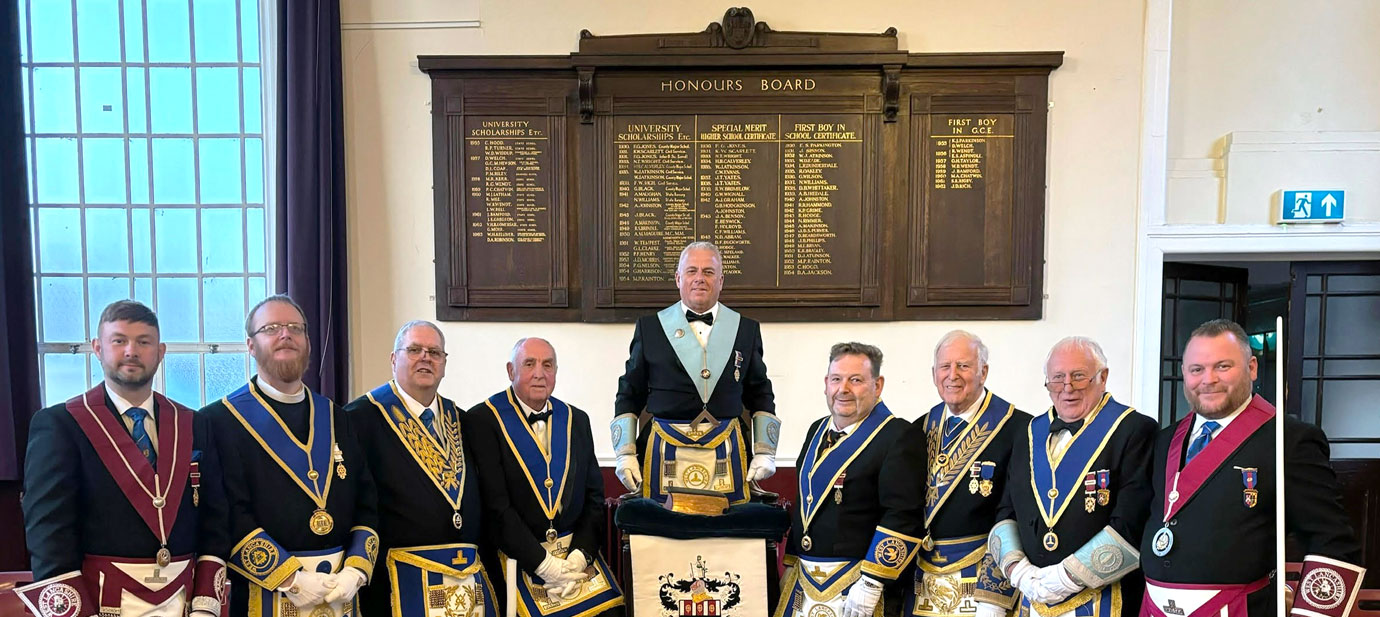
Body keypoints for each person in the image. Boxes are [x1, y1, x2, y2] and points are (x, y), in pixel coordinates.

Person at [1140, 319, 1365, 617]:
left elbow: (1333, 541)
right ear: (1184, 374)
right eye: (1197, 369)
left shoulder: (1289, 440)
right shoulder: (1165, 438)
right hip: (1154, 607)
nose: (1208, 379)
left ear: (1252, 368)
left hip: (1239, 609)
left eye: (1222, 366)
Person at [18, 300, 229, 617]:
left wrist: (205, 605)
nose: (131, 351)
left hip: (185, 603)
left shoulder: (194, 424)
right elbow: (49, 537)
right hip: (99, 602)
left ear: (161, 352)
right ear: (97, 348)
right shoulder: (60, 425)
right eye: (119, 340)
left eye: (144, 342)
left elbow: (216, 519)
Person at [201, 295, 379, 617]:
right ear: (251, 345)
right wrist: (290, 579)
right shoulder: (218, 421)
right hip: (263, 596)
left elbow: (366, 503)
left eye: (295, 328)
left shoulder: (338, 417)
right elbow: (227, 514)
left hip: (341, 596)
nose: (286, 335)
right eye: (271, 328)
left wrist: (357, 569)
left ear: (308, 342)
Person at [984, 336, 1156, 617]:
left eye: (1079, 377)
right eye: (1057, 379)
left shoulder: (1134, 430)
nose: (1068, 388)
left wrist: (1064, 579)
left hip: (1105, 599)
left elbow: (1132, 522)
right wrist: (1019, 572)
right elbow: (1006, 512)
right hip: (1032, 599)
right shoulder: (1029, 433)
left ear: (1103, 377)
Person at [344, 320, 494, 617]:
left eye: (435, 352)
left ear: (444, 363)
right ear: (393, 359)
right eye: (414, 350)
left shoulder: (464, 420)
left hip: (465, 578)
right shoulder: (359, 419)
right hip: (396, 584)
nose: (425, 357)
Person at [612, 241, 779, 504]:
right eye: (692, 271)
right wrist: (625, 453)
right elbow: (629, 392)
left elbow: (760, 392)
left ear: (721, 280)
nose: (699, 278)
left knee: (727, 537)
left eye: (708, 272)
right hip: (662, 451)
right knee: (662, 536)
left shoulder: (746, 329)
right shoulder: (650, 328)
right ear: (678, 278)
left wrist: (765, 451)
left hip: (728, 450)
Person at [468, 338, 624, 616]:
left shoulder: (577, 419)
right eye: (529, 364)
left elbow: (594, 499)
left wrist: (579, 558)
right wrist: (545, 566)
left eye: (547, 365)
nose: (540, 373)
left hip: (574, 556)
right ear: (511, 371)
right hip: (518, 557)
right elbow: (496, 508)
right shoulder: (482, 420)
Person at [776, 342, 925, 617]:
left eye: (855, 380)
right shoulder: (816, 430)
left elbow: (903, 515)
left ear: (877, 386)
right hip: (806, 584)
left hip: (861, 586)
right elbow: (806, 502)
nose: (843, 389)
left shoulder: (898, 435)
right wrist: (791, 562)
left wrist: (873, 580)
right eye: (836, 379)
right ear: (826, 383)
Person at [904, 331, 1030, 617]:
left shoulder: (1018, 428)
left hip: (982, 584)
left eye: (963, 366)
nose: (952, 375)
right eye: (945, 367)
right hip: (922, 582)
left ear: (983, 372)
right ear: (934, 373)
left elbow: (1014, 517)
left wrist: (996, 592)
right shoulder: (918, 429)